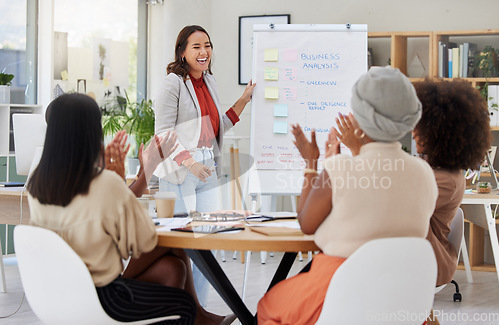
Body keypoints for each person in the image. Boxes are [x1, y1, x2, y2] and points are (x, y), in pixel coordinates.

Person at [27, 93, 233, 325]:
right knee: (179, 280)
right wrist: (138, 172)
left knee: (172, 270)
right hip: (103, 297)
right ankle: (201, 317)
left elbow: (99, 207)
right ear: (92, 133)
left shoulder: (37, 183)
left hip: (56, 295)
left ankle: (202, 318)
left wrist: (119, 178)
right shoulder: (102, 183)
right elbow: (140, 242)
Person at [257, 66, 439, 324]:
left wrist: (311, 163)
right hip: (400, 296)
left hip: (338, 288)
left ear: (362, 120)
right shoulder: (423, 173)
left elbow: (307, 224)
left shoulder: (340, 167)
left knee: (268, 307)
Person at [154, 25, 255, 304]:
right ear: (183, 52)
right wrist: (189, 163)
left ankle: (200, 310)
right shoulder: (173, 82)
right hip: (181, 170)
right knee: (184, 244)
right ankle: (180, 308)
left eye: (207, 45)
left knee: (206, 243)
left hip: (207, 165)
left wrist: (244, 100)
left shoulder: (209, 82)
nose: (204, 52)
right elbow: (163, 133)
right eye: (196, 46)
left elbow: (215, 127)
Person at [412, 78, 491, 286]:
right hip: (417, 253)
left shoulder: (446, 179)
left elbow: (401, 210)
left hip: (431, 261)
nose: (413, 134)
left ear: (440, 133)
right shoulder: (436, 170)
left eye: (420, 128)